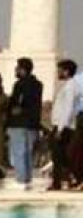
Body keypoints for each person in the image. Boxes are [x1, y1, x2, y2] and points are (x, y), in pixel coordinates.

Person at [6, 56, 43, 187]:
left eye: (17, 68)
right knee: (28, 153)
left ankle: (21, 180)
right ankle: (27, 179)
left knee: (19, 152)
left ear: (23, 70)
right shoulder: (38, 85)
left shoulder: (20, 84)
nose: (16, 71)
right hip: (33, 124)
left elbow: (15, 103)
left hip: (19, 123)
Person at [49, 59, 80, 191]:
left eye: (60, 70)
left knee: (59, 156)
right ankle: (73, 179)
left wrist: (60, 129)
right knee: (63, 156)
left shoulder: (70, 87)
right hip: (63, 125)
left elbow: (67, 108)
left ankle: (58, 183)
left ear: (66, 72)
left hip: (64, 126)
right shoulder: (69, 85)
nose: (58, 72)